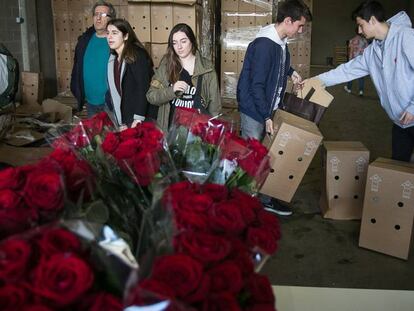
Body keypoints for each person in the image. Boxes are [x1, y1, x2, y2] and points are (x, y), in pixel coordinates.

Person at [237, 0, 312, 216]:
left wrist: (292, 73)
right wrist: (267, 116)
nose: (301, 30)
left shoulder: (279, 42)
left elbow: (280, 65)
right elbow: (257, 85)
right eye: (300, 25)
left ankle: (265, 199)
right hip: (255, 110)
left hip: (267, 107)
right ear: (288, 21)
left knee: (267, 156)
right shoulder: (264, 45)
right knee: (253, 157)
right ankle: (246, 205)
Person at [314, 0, 414, 162]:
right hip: (401, 122)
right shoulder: (372, 52)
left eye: (361, 25)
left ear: (373, 20)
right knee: (399, 168)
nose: (359, 30)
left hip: (411, 112)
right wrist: (316, 80)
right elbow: (347, 70)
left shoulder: (406, 37)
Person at [146, 23, 221, 131]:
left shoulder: (207, 68)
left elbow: (215, 106)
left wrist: (213, 134)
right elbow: (151, 96)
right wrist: (172, 90)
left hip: (196, 132)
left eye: (183, 41)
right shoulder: (166, 66)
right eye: (175, 43)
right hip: (169, 130)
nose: (179, 47)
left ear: (192, 41)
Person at [106, 19, 156, 127]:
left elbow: (143, 88)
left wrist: (138, 118)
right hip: (126, 117)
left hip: (141, 117)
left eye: (114, 33)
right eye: (108, 33)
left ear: (126, 36)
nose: (109, 37)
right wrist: (121, 121)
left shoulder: (136, 55)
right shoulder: (112, 58)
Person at [71, 1, 115, 118]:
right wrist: (77, 91)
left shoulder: (116, 42)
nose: (98, 18)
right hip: (90, 103)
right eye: (96, 14)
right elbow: (77, 67)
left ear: (111, 19)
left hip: (110, 104)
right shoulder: (84, 41)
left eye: (103, 15)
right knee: (95, 136)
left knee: (113, 136)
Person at [343, 30, 368, 96]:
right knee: (361, 76)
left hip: (353, 60)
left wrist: (349, 62)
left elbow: (351, 52)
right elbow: (366, 52)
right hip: (362, 61)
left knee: (351, 75)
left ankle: (349, 88)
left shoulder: (352, 40)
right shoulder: (364, 41)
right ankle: (361, 91)